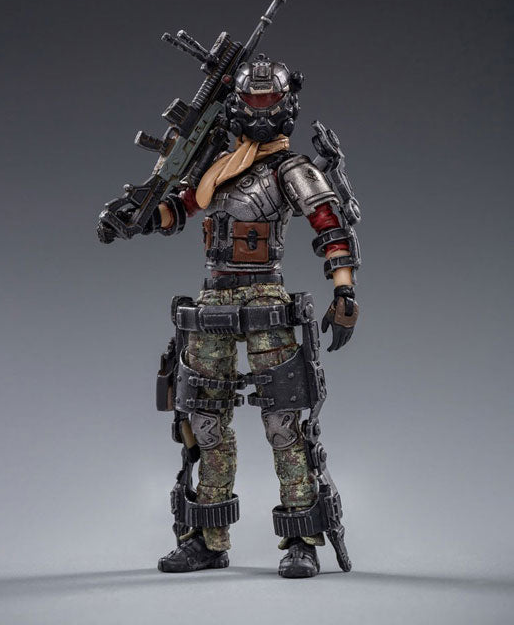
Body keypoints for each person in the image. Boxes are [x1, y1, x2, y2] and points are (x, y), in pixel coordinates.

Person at [98, 55, 359, 578]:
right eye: (252, 100)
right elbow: (177, 209)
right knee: (203, 421)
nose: (260, 109)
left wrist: (345, 292)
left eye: (269, 100)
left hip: (266, 296)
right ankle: (206, 539)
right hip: (214, 297)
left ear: (285, 105)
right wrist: (136, 217)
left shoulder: (291, 169)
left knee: (284, 422)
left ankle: (302, 540)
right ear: (236, 105)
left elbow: (330, 226)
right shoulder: (216, 166)